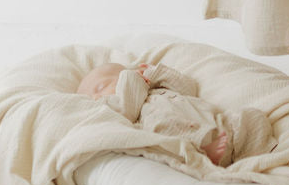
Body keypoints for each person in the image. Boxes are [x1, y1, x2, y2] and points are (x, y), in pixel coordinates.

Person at [75, 59, 277, 166]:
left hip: (214, 121)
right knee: (167, 127)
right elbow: (127, 109)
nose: (96, 98)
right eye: (93, 98)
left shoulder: (157, 87)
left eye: (100, 87)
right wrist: (131, 79)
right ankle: (206, 151)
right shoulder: (119, 105)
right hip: (175, 130)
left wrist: (153, 73)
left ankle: (250, 156)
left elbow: (186, 87)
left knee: (252, 116)